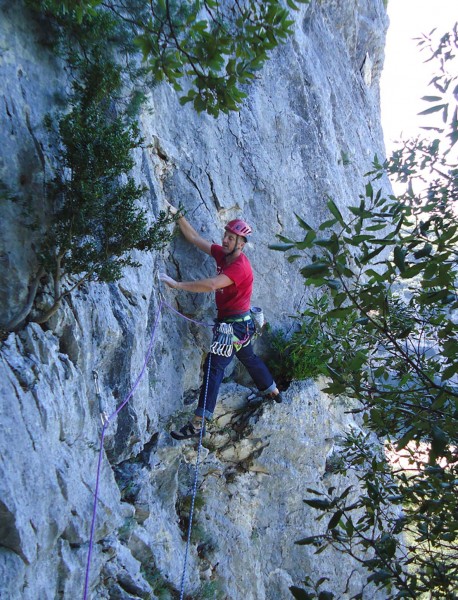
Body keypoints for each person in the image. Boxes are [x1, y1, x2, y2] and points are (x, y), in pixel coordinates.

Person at [159, 200, 282, 441]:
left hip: (233, 327)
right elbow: (194, 238)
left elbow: (212, 284)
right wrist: (177, 213)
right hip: (242, 324)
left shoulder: (239, 267)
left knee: (214, 368)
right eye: (225, 235)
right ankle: (272, 390)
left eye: (231, 238)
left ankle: (197, 424)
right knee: (248, 357)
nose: (225, 240)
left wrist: (177, 285)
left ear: (241, 244)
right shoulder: (224, 255)